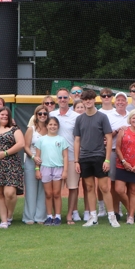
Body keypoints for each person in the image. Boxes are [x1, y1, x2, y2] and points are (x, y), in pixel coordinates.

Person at [74, 89, 119, 228]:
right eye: (85, 99)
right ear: (82, 101)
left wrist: (107, 159)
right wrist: (76, 160)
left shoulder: (102, 117)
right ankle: (93, 217)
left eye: (90, 99)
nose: (88, 101)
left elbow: (109, 137)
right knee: (89, 187)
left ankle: (112, 217)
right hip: (84, 157)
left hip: (99, 156)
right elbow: (77, 140)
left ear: (94, 100)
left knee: (104, 187)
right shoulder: (79, 119)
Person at [0, 106, 25, 229]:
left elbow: (21, 144)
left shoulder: (15, 130)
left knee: (10, 193)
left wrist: (6, 153)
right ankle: (3, 221)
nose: (3, 116)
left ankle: (9, 215)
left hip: (11, 163)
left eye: (6, 115)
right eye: (1, 114)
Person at [113, 110, 135, 224]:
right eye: (133, 118)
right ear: (130, 119)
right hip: (122, 165)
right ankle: (130, 209)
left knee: (134, 191)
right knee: (119, 189)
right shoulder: (123, 131)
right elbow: (118, 148)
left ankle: (131, 217)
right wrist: (124, 162)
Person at [52, 88, 82, 221]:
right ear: (56, 99)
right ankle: (55, 214)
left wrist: (77, 160)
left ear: (69, 99)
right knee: (54, 189)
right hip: (54, 158)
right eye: (60, 97)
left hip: (71, 157)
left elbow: (79, 138)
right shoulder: (51, 115)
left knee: (73, 187)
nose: (62, 100)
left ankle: (70, 214)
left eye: (65, 97)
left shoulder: (76, 116)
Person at [34, 116, 70, 225]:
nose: (52, 126)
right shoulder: (41, 140)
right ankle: (49, 216)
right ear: (46, 126)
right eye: (50, 124)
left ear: (58, 126)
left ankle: (58, 216)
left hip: (58, 168)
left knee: (57, 193)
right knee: (48, 193)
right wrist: (37, 170)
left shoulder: (61, 140)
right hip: (45, 168)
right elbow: (38, 156)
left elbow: (65, 157)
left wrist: (65, 171)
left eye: (55, 124)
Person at [102, 91, 131, 217]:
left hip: (131, 154)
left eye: (122, 100)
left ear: (126, 102)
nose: (120, 102)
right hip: (114, 152)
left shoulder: (132, 115)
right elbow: (105, 137)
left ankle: (131, 210)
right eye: (118, 100)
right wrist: (117, 131)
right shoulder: (109, 116)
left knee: (131, 184)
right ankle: (116, 210)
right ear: (115, 102)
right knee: (114, 183)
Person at [22, 105, 50, 225]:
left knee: (43, 190)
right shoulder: (31, 129)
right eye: (40, 114)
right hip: (31, 160)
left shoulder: (50, 128)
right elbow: (25, 146)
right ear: (36, 115)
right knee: (30, 189)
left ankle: (40, 217)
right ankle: (29, 217)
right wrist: (33, 157)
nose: (42, 116)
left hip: (46, 162)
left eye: (45, 113)